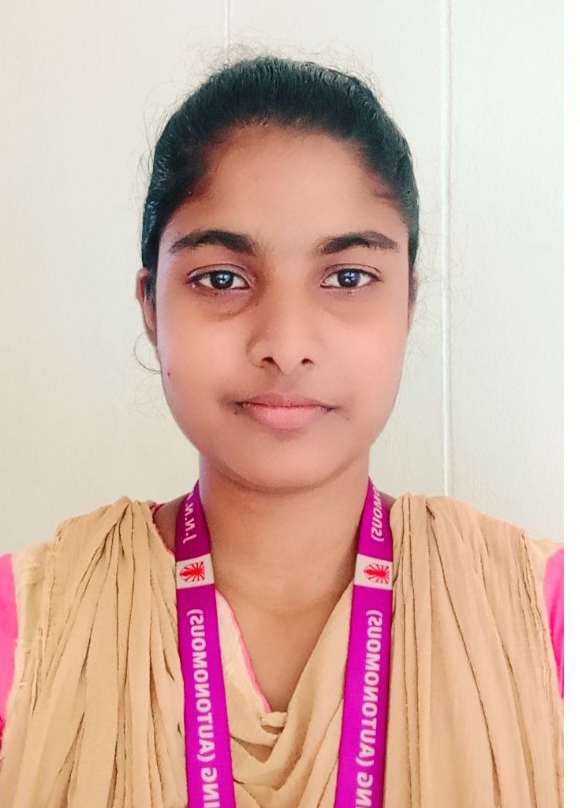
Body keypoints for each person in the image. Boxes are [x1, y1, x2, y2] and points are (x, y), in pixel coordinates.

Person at [0, 53, 563, 808]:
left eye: (348, 277)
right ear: (151, 306)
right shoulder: (30, 632)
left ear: (407, 303)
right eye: (222, 279)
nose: (286, 343)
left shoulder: (542, 619)